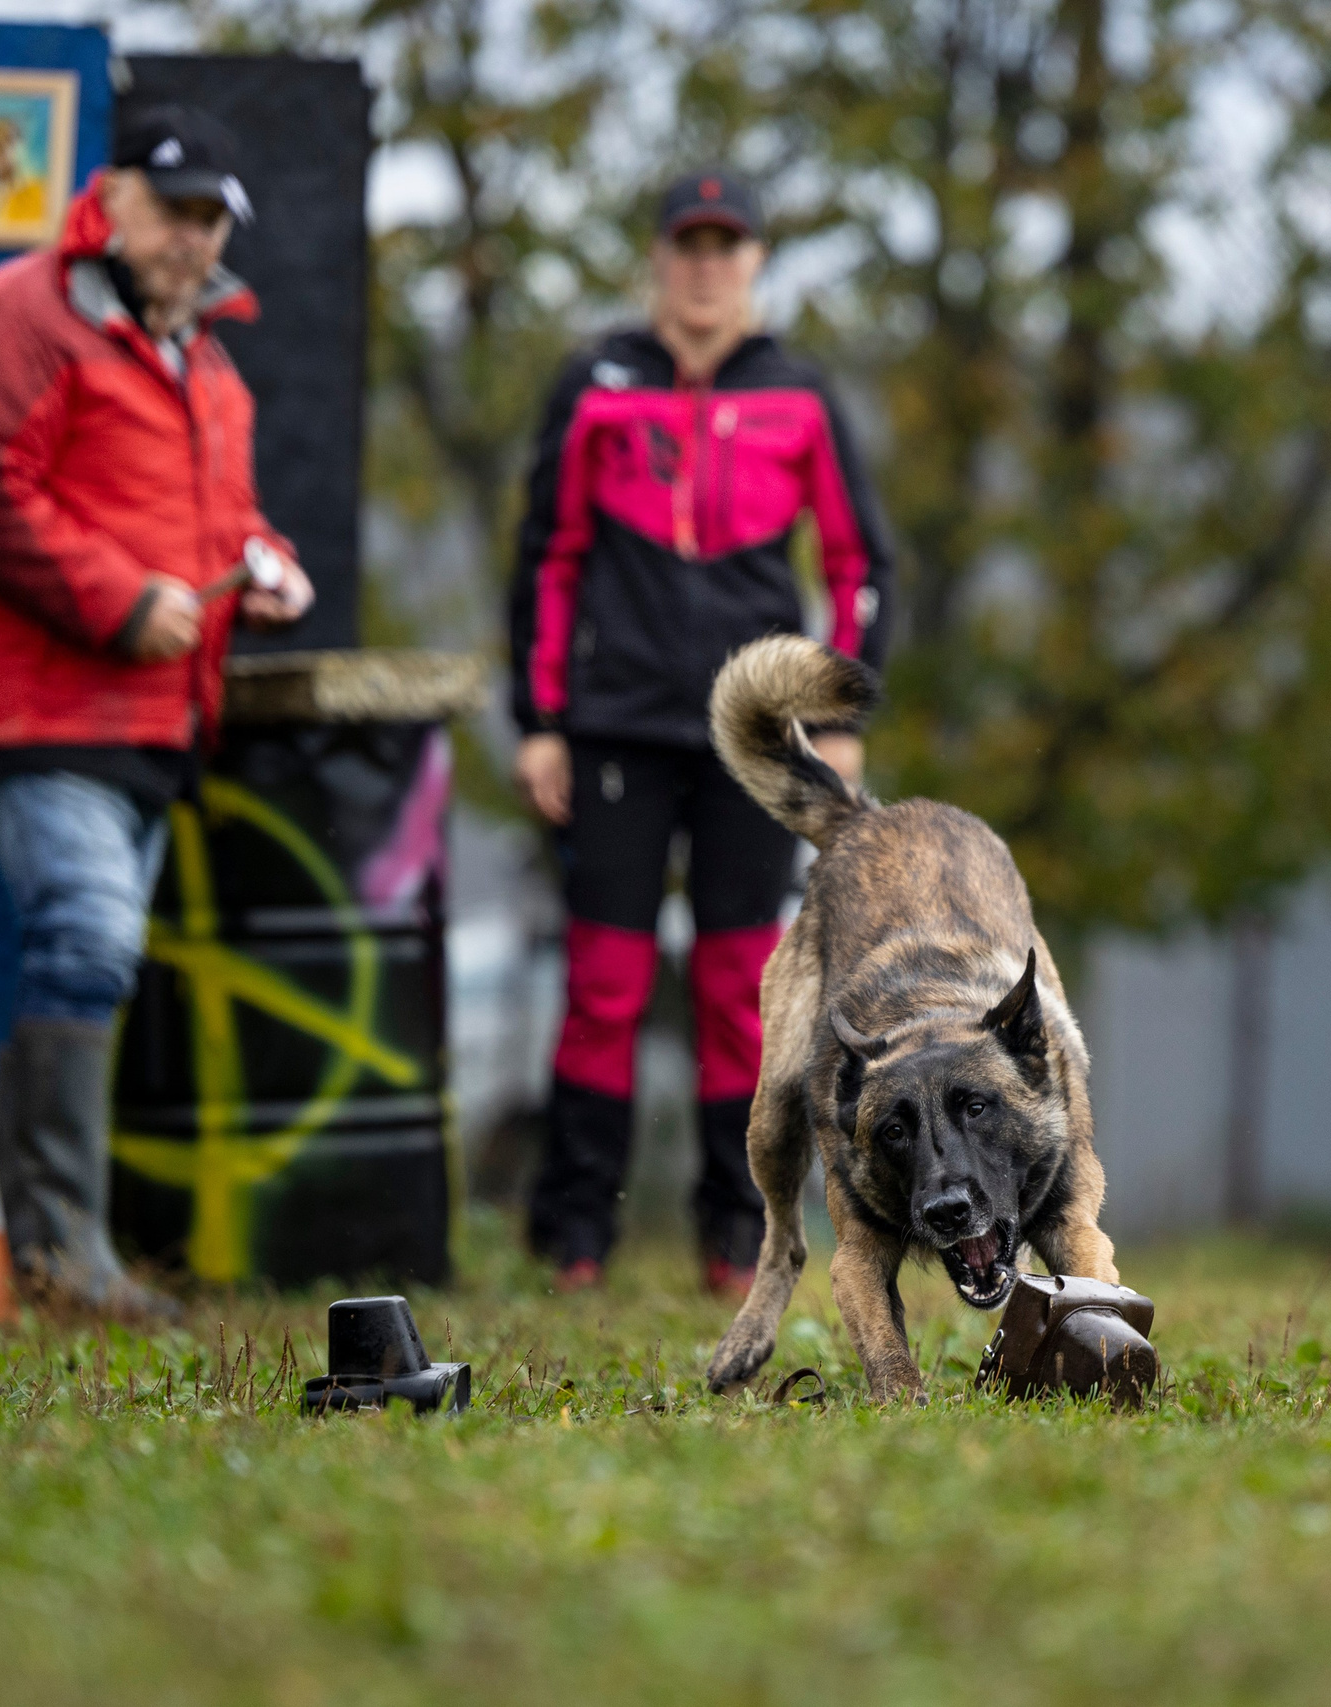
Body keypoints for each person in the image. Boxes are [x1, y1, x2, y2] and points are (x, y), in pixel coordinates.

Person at [0, 106, 314, 1316]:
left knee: (93, 956)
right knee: (86, 939)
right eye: (173, 208)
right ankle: (58, 1256)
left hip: (151, 724)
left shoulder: (209, 365)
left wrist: (267, 564)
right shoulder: (20, 317)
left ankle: (55, 1248)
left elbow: (225, 520)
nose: (191, 239)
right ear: (112, 197)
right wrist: (117, 599)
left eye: (209, 219)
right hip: (38, 706)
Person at [508, 167, 895, 1296]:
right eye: (689, 245)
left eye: (727, 247)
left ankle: (742, 1239)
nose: (705, 267)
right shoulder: (593, 381)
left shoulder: (802, 396)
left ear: (757, 263)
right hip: (613, 729)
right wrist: (539, 722)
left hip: (756, 740)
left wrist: (837, 713)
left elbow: (860, 562)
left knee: (743, 990)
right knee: (604, 986)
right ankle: (573, 1239)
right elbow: (546, 558)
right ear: (658, 257)